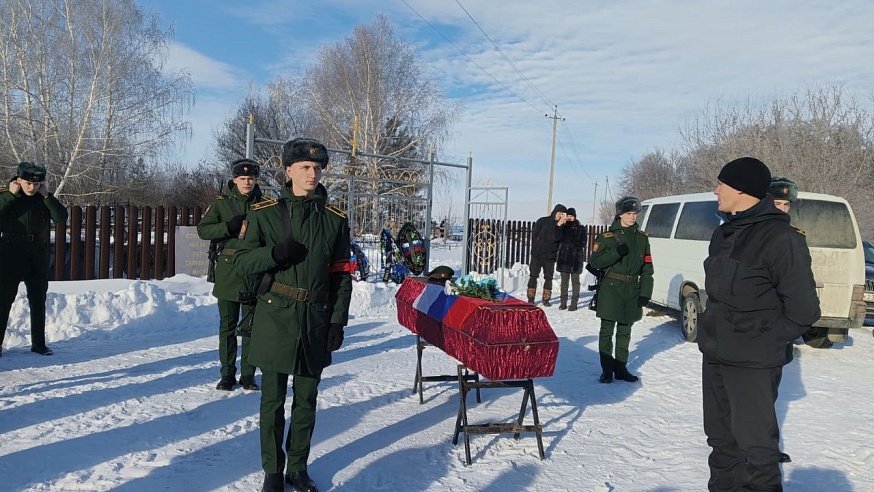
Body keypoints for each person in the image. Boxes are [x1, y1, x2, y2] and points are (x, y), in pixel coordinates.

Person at [234, 138, 352, 492]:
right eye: (304, 167)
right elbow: (241, 262)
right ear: (288, 171)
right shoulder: (265, 212)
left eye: (317, 168)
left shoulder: (334, 220)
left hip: (315, 319)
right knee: (272, 400)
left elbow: (341, 275)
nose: (311, 173)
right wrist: (274, 254)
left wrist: (337, 320)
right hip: (276, 316)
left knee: (307, 399)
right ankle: (273, 470)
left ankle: (297, 468)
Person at [699, 157, 820, 491]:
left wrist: (761, 341)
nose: (715, 190)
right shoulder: (723, 233)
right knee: (721, 444)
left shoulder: (782, 238)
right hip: (716, 356)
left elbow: (804, 311)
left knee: (757, 452)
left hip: (753, 362)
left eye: (721, 184)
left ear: (742, 189)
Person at [197, 158, 264, 391]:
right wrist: (227, 227)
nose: (247, 182)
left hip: (255, 270)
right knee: (227, 326)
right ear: (234, 180)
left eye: (251, 178)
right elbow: (203, 230)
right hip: (228, 271)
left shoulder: (264, 204)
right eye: (243, 179)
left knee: (252, 327)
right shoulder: (220, 204)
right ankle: (227, 374)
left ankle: (248, 374)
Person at [0, 162, 68, 357]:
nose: (32, 188)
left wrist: (47, 196)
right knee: (3, 301)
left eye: (37, 184)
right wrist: (9, 195)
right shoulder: (7, 195)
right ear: (19, 180)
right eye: (28, 183)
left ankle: (39, 344)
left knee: (38, 301)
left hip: (36, 255)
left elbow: (61, 217)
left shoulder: (42, 198)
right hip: (9, 253)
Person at [588, 196, 653, 383]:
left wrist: (645, 293)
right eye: (629, 213)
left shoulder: (642, 239)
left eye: (635, 213)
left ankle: (621, 368)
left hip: (632, 289)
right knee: (607, 330)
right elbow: (595, 262)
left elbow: (648, 269)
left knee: (625, 331)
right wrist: (616, 253)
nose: (632, 217)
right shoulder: (607, 237)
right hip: (611, 289)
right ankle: (607, 369)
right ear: (620, 214)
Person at [527, 204, 568, 306]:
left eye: (563, 214)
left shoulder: (561, 226)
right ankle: (531, 298)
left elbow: (558, 238)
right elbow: (535, 235)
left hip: (550, 257)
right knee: (533, 276)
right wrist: (538, 245)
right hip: (537, 255)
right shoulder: (542, 221)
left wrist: (559, 226)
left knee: (548, 277)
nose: (561, 215)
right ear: (556, 211)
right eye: (560, 213)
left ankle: (546, 299)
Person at [556, 207, 586, 310]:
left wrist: (572, 243)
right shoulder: (563, 228)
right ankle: (563, 302)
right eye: (568, 216)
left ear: (574, 217)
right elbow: (557, 238)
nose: (569, 218)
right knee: (564, 282)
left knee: (575, 282)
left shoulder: (581, 228)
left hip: (575, 259)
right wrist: (560, 225)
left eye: (571, 216)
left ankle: (574, 303)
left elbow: (583, 242)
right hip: (564, 259)